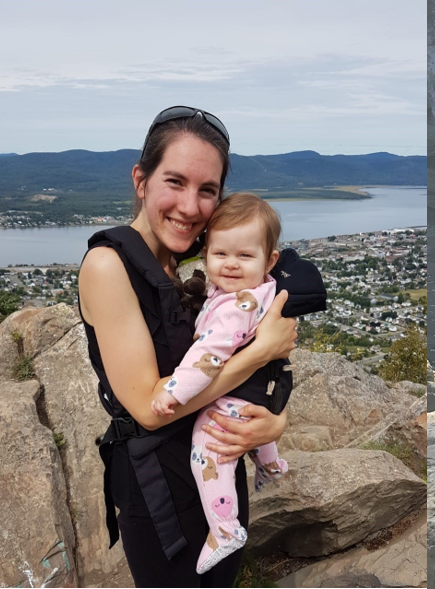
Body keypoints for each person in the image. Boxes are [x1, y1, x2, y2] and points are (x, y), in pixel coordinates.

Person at [79, 106, 298, 588]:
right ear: (141, 180)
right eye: (174, 182)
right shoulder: (107, 266)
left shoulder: (191, 269)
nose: (190, 206)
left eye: (207, 190)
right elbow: (150, 408)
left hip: (214, 472)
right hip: (158, 491)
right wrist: (260, 352)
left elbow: (245, 377)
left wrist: (273, 422)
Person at [150, 192, 290, 574]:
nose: (230, 265)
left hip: (227, 396)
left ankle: (225, 529)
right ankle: (271, 464)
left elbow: (209, 356)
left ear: (269, 260)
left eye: (244, 256)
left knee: (209, 449)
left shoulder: (235, 307)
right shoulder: (259, 290)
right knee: (253, 417)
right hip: (252, 391)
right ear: (207, 253)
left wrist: (174, 390)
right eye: (220, 254)